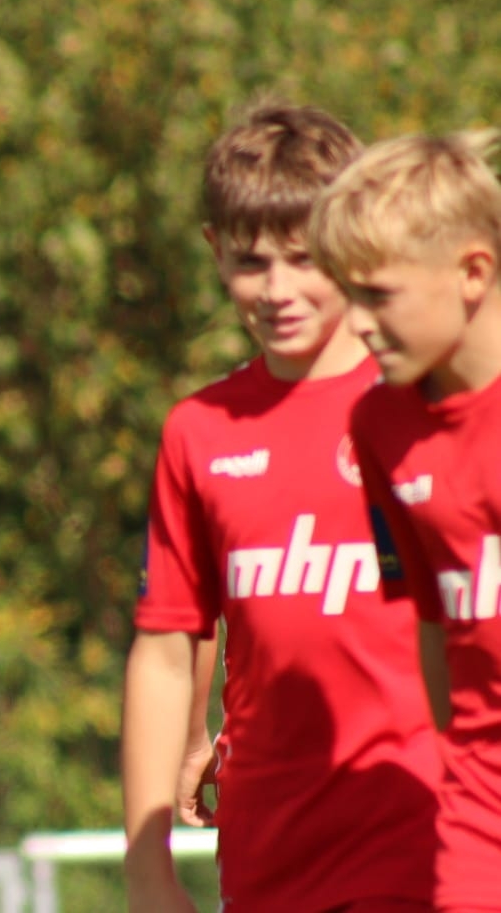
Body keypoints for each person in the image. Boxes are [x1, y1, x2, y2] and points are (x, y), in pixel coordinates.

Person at [121, 104, 441, 913]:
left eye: (304, 259)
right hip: (271, 854)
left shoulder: (430, 407)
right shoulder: (199, 431)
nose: (278, 290)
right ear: (214, 250)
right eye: (251, 261)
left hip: (428, 838)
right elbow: (168, 648)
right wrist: (148, 871)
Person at [310, 130, 501, 913]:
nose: (355, 323)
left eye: (377, 295)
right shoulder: (379, 425)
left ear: (472, 273)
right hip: (480, 823)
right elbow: (433, 623)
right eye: (345, 295)